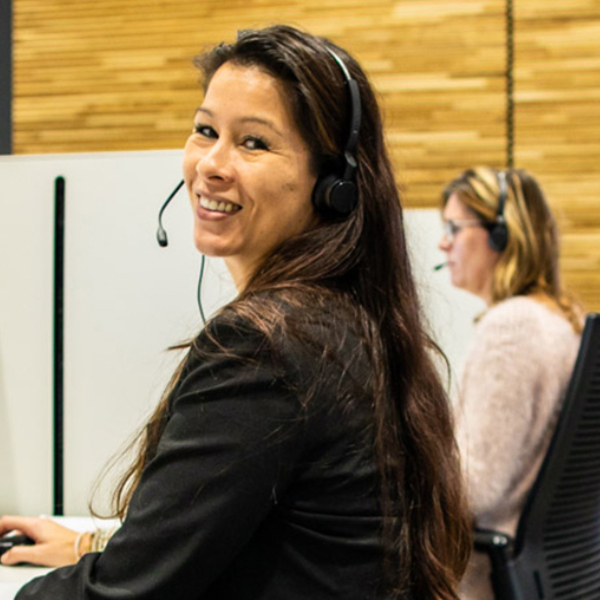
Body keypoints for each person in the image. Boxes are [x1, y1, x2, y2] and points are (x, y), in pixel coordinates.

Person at [0, 25, 471, 599]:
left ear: (334, 184)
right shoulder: (344, 320)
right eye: (205, 131)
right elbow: (261, 536)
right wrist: (91, 546)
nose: (211, 164)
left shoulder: (270, 346)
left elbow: (126, 593)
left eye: (254, 143)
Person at [438, 166, 583, 600]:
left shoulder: (513, 327)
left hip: (483, 581)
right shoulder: (560, 319)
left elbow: (473, 489)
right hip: (537, 575)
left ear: (502, 235)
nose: (442, 242)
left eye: (454, 227)